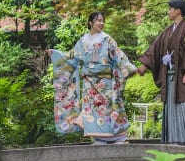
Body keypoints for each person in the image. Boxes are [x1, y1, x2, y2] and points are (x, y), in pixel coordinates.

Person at [48, 12, 138, 144]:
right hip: (89, 84)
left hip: (105, 83)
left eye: (103, 21)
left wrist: (130, 68)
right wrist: (56, 54)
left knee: (108, 109)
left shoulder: (108, 40)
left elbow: (119, 56)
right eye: (98, 21)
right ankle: (98, 138)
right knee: (92, 111)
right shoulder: (82, 42)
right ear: (90, 23)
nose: (101, 23)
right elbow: (71, 58)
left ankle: (115, 137)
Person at [137, 0, 185, 147]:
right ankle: (174, 138)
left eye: (170, 9)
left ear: (178, 10)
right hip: (169, 76)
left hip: (183, 75)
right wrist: (144, 65)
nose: (168, 11)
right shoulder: (168, 31)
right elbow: (155, 48)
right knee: (172, 107)